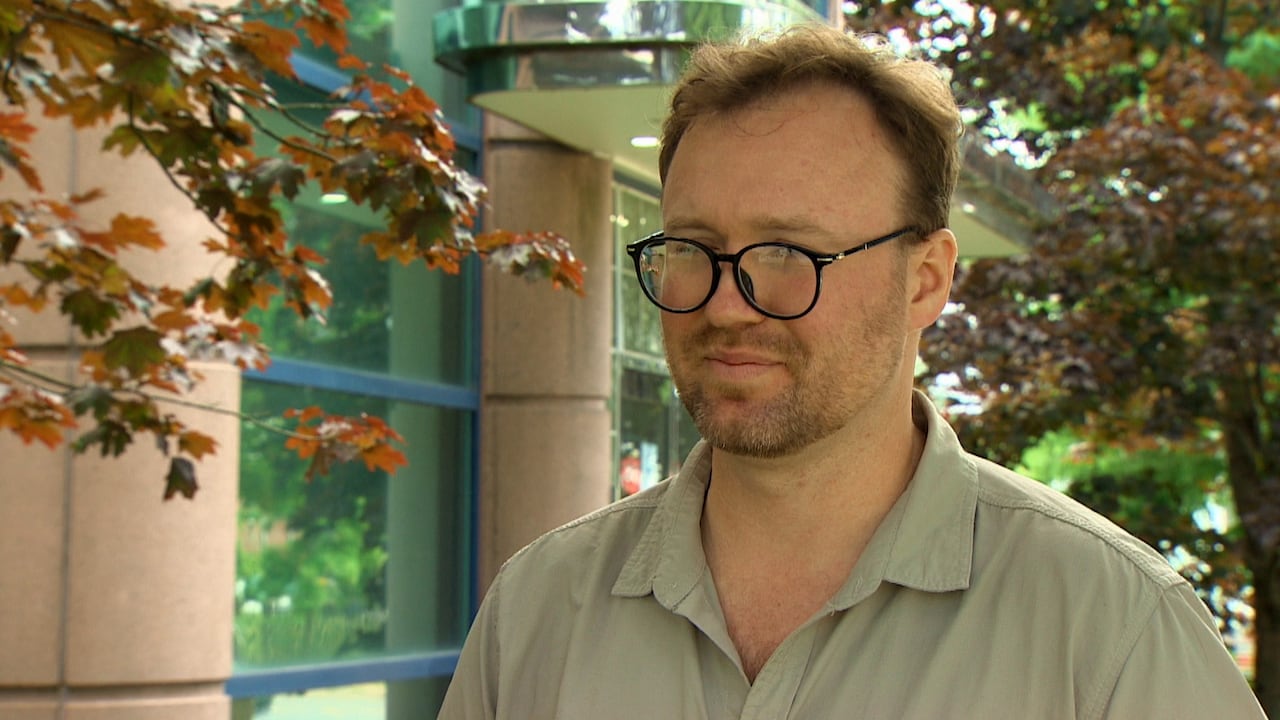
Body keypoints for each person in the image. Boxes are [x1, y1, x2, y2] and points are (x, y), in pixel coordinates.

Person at [439, 23, 1265, 719]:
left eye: (790, 252)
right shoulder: (537, 614)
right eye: (692, 249)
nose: (727, 305)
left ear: (927, 280)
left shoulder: (1110, 630)